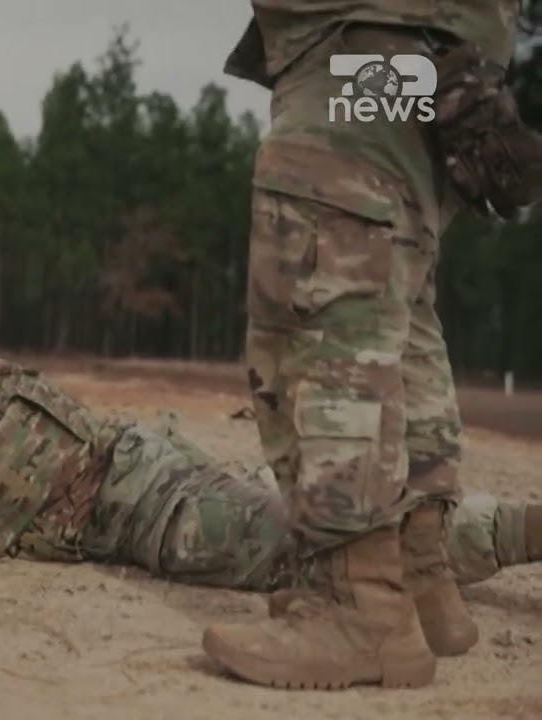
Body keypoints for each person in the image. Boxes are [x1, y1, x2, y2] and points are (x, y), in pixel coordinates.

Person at [0, 250, 542, 644]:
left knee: (317, 549)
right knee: (302, 514)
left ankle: (510, 530)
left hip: (147, 511)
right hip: (141, 470)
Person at [205, 1, 542, 690]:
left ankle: (358, 607)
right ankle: (418, 577)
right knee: (390, 294)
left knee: (323, 291)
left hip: (371, 29)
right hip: (421, 40)